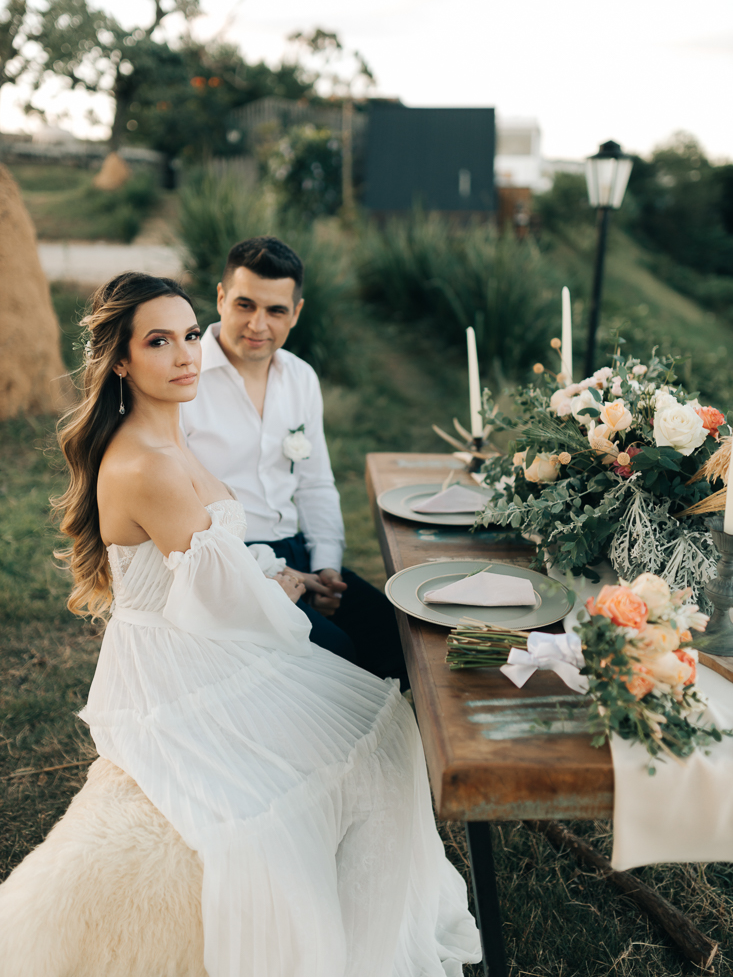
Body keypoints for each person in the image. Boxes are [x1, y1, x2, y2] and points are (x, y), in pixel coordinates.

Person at [53, 271, 481, 977]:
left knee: (384, 717)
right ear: (121, 360)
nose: (186, 353)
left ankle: (370, 920)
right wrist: (282, 585)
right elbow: (221, 603)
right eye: (159, 341)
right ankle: (360, 948)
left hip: (210, 627)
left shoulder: (168, 432)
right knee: (376, 730)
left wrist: (280, 574)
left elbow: (216, 557)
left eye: (189, 335)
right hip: (180, 660)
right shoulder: (147, 462)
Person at [180, 236, 408, 687]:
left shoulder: (300, 378)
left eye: (276, 310)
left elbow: (316, 483)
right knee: (332, 656)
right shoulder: (185, 378)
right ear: (222, 298)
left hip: (297, 548)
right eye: (245, 304)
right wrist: (278, 575)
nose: (258, 324)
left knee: (396, 636)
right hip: (230, 561)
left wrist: (326, 569)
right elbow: (184, 515)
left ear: (296, 313)